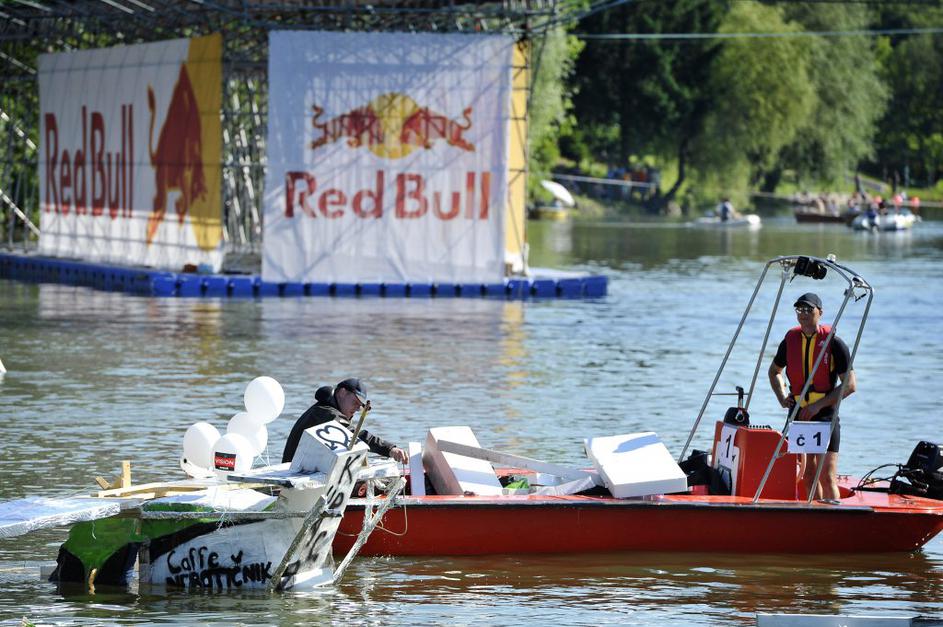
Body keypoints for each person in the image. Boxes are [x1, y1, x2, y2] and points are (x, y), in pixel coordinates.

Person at [768, 293, 856, 503]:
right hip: (799, 413)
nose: (804, 314)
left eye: (809, 310)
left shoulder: (834, 344)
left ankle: (834, 521)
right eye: (800, 310)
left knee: (826, 476)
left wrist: (818, 406)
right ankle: (814, 517)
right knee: (808, 474)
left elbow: (850, 385)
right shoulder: (790, 341)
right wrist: (782, 397)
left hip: (825, 414)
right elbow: (774, 371)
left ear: (820, 312)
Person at [282, 378, 409, 464]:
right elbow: (353, 435)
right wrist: (389, 449)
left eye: (360, 405)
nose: (358, 409)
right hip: (294, 479)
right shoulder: (326, 413)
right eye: (355, 402)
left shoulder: (325, 411)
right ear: (342, 393)